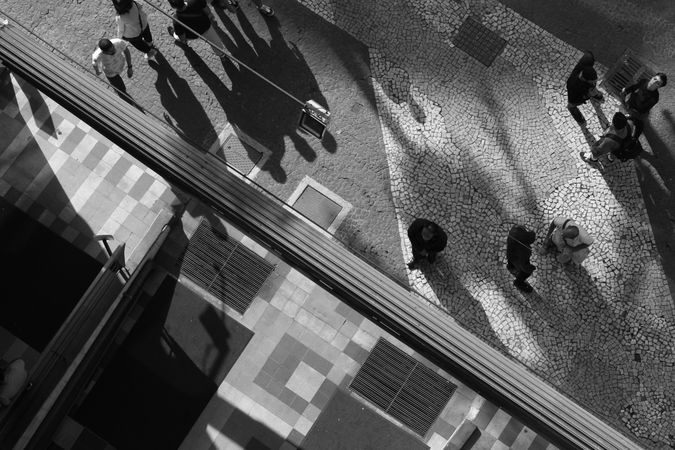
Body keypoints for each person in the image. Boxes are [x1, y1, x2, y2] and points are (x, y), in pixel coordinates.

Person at [566, 50, 604, 126]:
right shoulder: (573, 86)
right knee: (571, 105)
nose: (594, 83)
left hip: (586, 87)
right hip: (576, 95)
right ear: (584, 79)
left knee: (592, 89)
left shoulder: (587, 61)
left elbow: (589, 54)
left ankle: (594, 94)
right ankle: (578, 117)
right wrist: (587, 95)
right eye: (592, 81)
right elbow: (575, 99)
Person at [91, 38, 135, 102]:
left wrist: (130, 67)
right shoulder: (97, 55)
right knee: (121, 89)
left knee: (119, 88)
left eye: (113, 48)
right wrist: (97, 71)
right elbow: (94, 64)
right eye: (110, 52)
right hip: (111, 73)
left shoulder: (118, 42)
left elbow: (126, 51)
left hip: (120, 64)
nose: (113, 52)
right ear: (103, 52)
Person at [506, 225, 536, 293]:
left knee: (510, 257)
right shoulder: (525, 251)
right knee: (527, 272)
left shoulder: (515, 229)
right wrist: (530, 268)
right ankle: (518, 283)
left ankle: (510, 266)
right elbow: (523, 265)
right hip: (516, 258)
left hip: (510, 253)